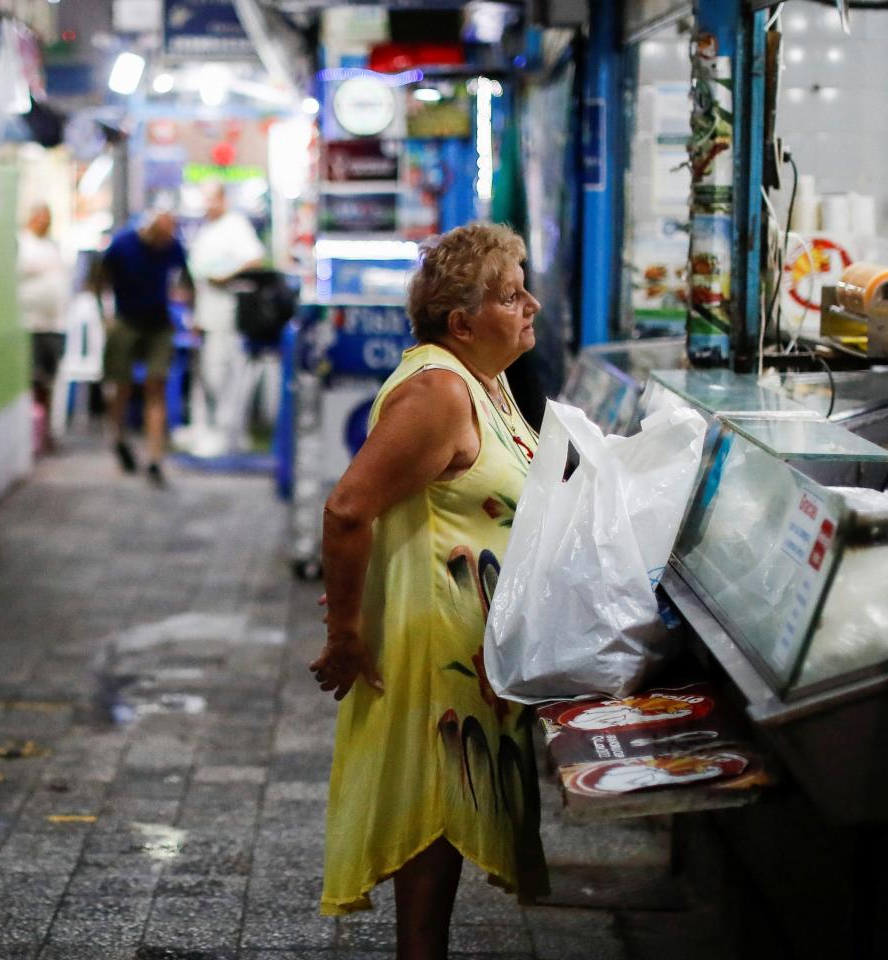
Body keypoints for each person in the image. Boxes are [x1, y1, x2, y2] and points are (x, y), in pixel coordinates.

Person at [310, 222, 548, 960]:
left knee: (442, 838)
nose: (531, 304)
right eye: (512, 296)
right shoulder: (441, 390)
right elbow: (349, 509)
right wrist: (346, 632)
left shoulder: (487, 378)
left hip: (471, 650)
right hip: (432, 654)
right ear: (462, 321)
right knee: (431, 833)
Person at [99, 208, 193, 486]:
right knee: (122, 386)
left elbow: (185, 278)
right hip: (127, 320)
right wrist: (105, 314)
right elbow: (100, 277)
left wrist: (189, 310)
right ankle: (118, 437)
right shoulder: (123, 245)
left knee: (156, 385)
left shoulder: (173, 247)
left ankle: (154, 458)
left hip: (158, 323)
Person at [185, 183, 266, 457]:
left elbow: (255, 259)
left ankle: (228, 433)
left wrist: (226, 275)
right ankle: (209, 431)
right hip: (207, 314)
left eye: (212, 200)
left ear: (223, 199)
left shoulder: (235, 225)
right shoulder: (206, 230)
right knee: (207, 374)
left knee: (222, 374)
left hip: (228, 314)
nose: (209, 206)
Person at [17, 203, 68, 436]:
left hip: (54, 323)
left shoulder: (53, 246)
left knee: (49, 379)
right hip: (31, 323)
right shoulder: (22, 244)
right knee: (33, 378)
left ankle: (46, 430)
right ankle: (32, 434)